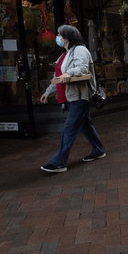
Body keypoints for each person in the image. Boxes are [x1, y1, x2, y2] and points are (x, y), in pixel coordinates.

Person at [39, 24, 106, 173]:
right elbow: (57, 76)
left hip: (80, 97)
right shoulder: (64, 54)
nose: (58, 38)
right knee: (85, 126)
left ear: (68, 37)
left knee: (69, 129)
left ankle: (59, 162)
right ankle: (98, 150)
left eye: (60, 35)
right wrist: (48, 91)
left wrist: (69, 73)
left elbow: (82, 68)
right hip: (69, 97)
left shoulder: (80, 50)